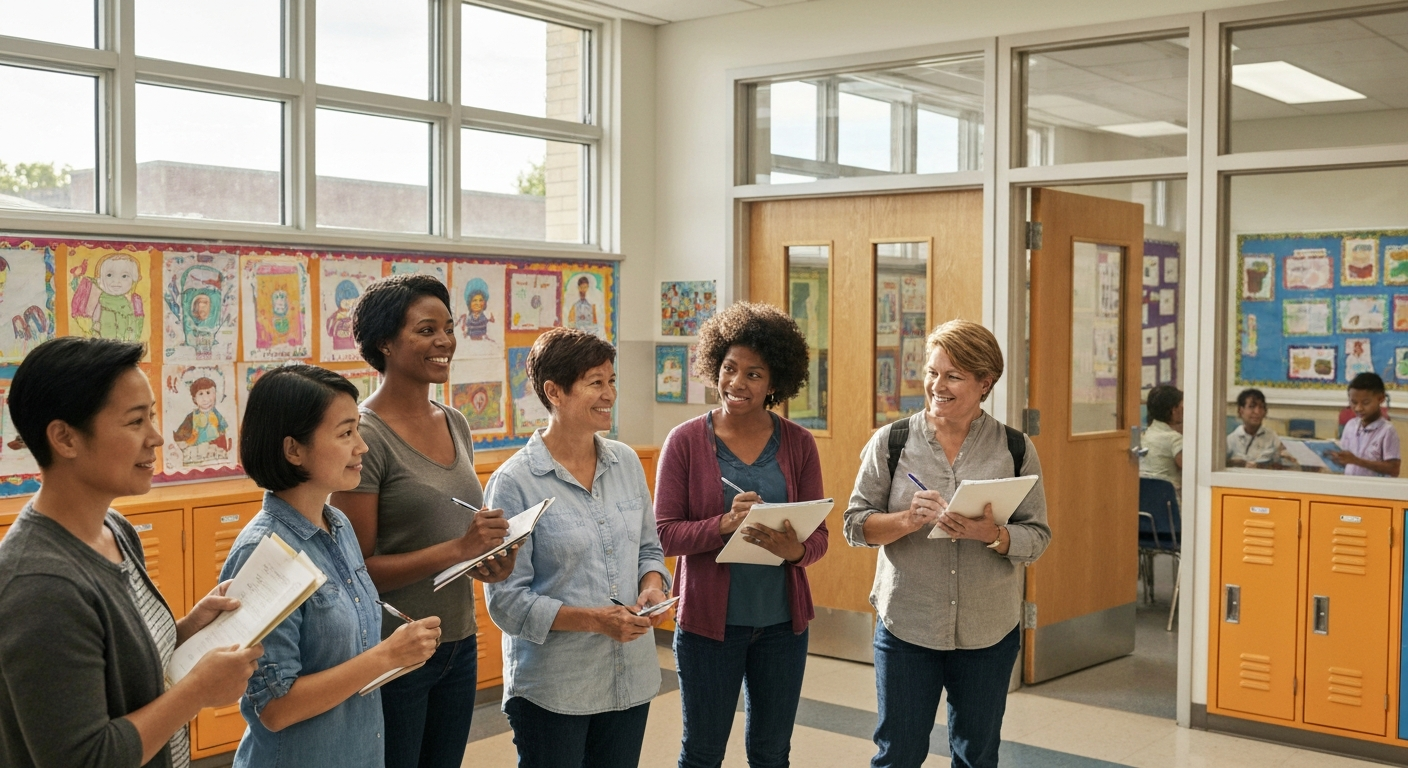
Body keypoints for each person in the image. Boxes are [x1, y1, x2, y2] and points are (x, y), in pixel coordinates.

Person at [0, 336, 260, 768]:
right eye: (136, 421)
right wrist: (196, 690)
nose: (156, 438)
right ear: (65, 438)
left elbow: (118, 672)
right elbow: (85, 758)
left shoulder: (114, 528)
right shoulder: (40, 586)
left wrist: (189, 627)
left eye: (153, 416)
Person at [843, 319, 1050, 768]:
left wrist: (992, 535)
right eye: (933, 372)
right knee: (898, 754)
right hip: (907, 626)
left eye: (953, 376)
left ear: (984, 382)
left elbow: (1038, 537)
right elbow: (855, 525)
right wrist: (905, 519)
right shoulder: (892, 442)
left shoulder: (1014, 449)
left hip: (988, 630)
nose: (938, 385)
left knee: (977, 756)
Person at [331, 274, 516, 768]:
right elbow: (359, 568)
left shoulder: (454, 420)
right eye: (426, 329)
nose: (444, 342)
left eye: (449, 328)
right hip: (397, 648)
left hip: (457, 639)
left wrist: (485, 560)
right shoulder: (364, 436)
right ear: (385, 343)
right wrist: (459, 550)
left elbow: (450, 534)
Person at [225, 365, 441, 768]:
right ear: (294, 450)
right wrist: (386, 656)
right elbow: (275, 708)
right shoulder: (265, 551)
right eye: (345, 434)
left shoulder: (337, 523)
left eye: (357, 430)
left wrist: (398, 653)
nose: (362, 447)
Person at [484, 327, 673, 768]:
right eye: (595, 382)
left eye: (612, 381)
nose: (609, 393)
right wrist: (594, 621)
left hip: (629, 679)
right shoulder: (514, 482)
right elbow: (507, 603)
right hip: (555, 690)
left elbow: (649, 548)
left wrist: (653, 587)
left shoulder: (625, 462)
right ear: (554, 391)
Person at [655, 302, 828, 768]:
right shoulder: (685, 441)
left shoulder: (798, 443)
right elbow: (663, 535)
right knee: (703, 753)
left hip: (781, 626)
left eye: (754, 374)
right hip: (709, 627)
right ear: (714, 366)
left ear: (775, 383)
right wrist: (724, 525)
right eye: (730, 368)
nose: (737, 383)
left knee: (772, 754)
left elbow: (820, 537)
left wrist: (797, 551)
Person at [1330, 372, 1401, 478]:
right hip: (1350, 486)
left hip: (1375, 491)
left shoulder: (1387, 431)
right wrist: (1336, 458)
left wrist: (1356, 461)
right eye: (1354, 402)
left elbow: (1394, 469)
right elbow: (1346, 460)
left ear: (1380, 399)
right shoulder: (1350, 426)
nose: (1358, 408)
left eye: (1365, 403)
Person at [1226, 388, 1288, 468]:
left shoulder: (1272, 436)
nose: (1257, 412)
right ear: (1241, 411)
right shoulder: (1231, 439)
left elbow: (1280, 464)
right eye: (1252, 407)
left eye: (1261, 407)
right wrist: (1238, 463)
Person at [1140, 385, 1184, 492]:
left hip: (1146, 499)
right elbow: (1192, 470)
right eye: (1182, 406)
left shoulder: (1145, 435)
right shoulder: (1174, 439)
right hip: (1171, 500)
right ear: (1174, 410)